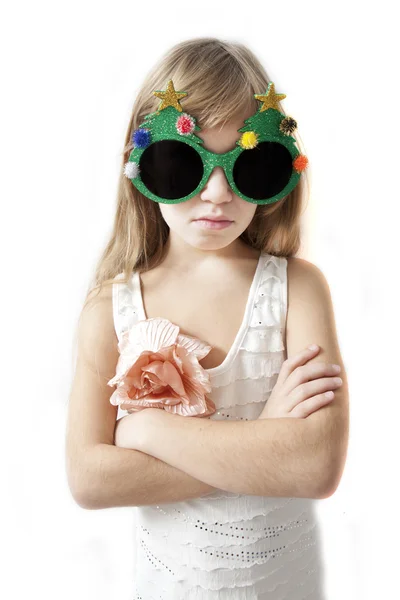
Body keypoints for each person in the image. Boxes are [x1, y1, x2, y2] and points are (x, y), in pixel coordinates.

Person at [65, 37, 349, 599]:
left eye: (250, 165)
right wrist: (266, 443)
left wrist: (147, 431)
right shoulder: (112, 308)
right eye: (183, 165)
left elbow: (316, 468)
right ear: (141, 169)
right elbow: (89, 480)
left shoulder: (298, 290)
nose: (217, 193)